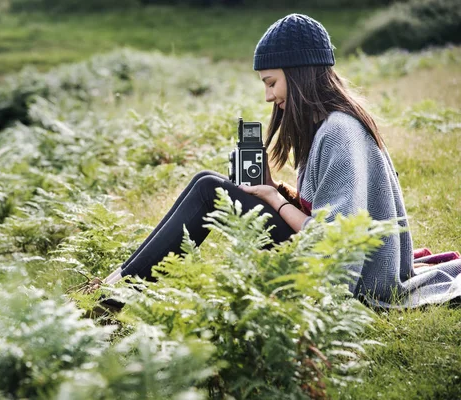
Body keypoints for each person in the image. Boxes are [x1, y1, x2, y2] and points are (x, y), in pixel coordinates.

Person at [93, 13, 461, 309]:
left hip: (355, 277)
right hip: (332, 257)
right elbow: (327, 212)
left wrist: (273, 199)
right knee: (208, 180)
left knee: (209, 190)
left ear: (298, 74)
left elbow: (334, 240)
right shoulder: (327, 124)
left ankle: (114, 295)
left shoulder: (339, 130)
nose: (268, 96)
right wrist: (274, 189)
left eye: (271, 83)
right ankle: (119, 282)